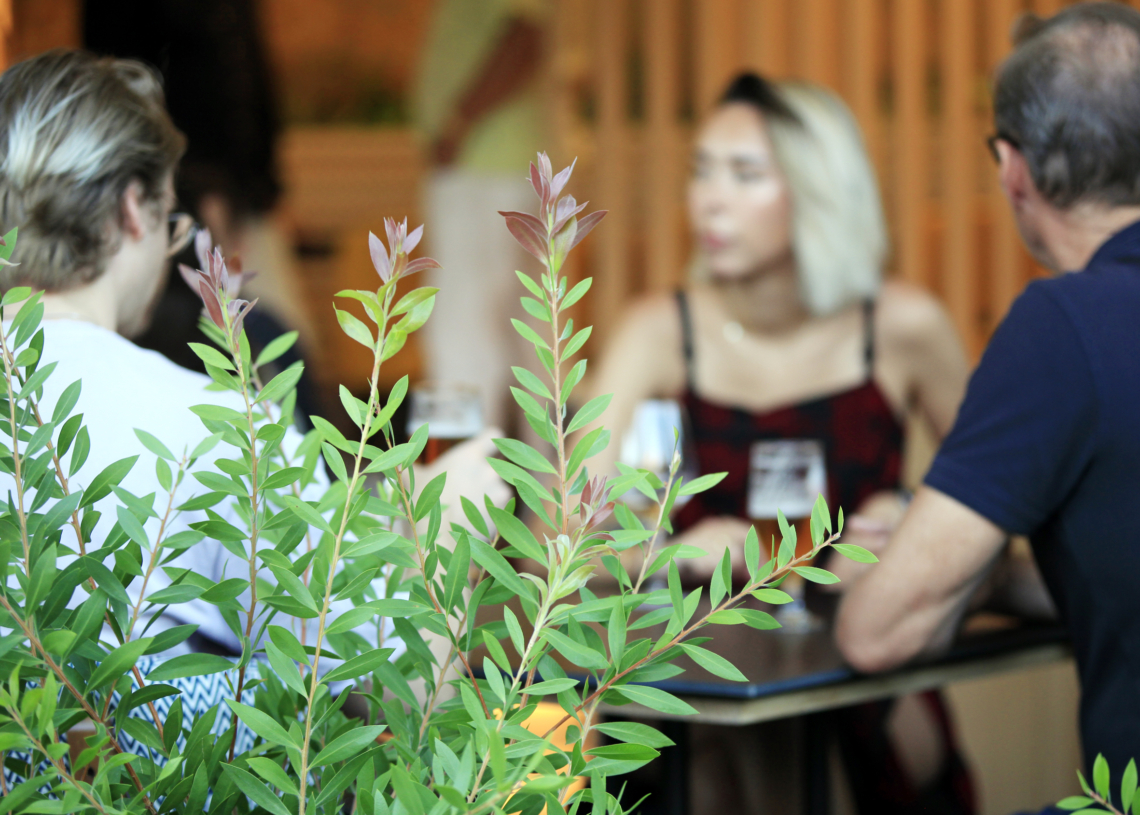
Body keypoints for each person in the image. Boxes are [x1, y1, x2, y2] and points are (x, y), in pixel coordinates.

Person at [0, 50, 506, 783]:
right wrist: (453, 535)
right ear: (132, 209)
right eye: (173, 219)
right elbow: (398, 704)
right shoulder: (207, 424)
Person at [588, 74, 975, 814]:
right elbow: (557, 545)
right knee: (705, 747)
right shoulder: (656, 331)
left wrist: (914, 524)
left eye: (744, 174)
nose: (709, 198)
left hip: (861, 660)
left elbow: (999, 513)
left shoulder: (902, 326)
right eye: (701, 171)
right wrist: (668, 556)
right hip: (703, 667)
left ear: (818, 189)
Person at [836, 1, 1140, 788]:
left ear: (1013, 169)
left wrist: (933, 563)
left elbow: (877, 632)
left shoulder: (1064, 325)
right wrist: (1001, 575)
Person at [412, 0, 547, 432]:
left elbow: (524, 37)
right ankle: (549, 488)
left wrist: (458, 122)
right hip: (487, 166)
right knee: (519, 332)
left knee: (460, 329)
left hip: (482, 168)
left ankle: (459, 484)